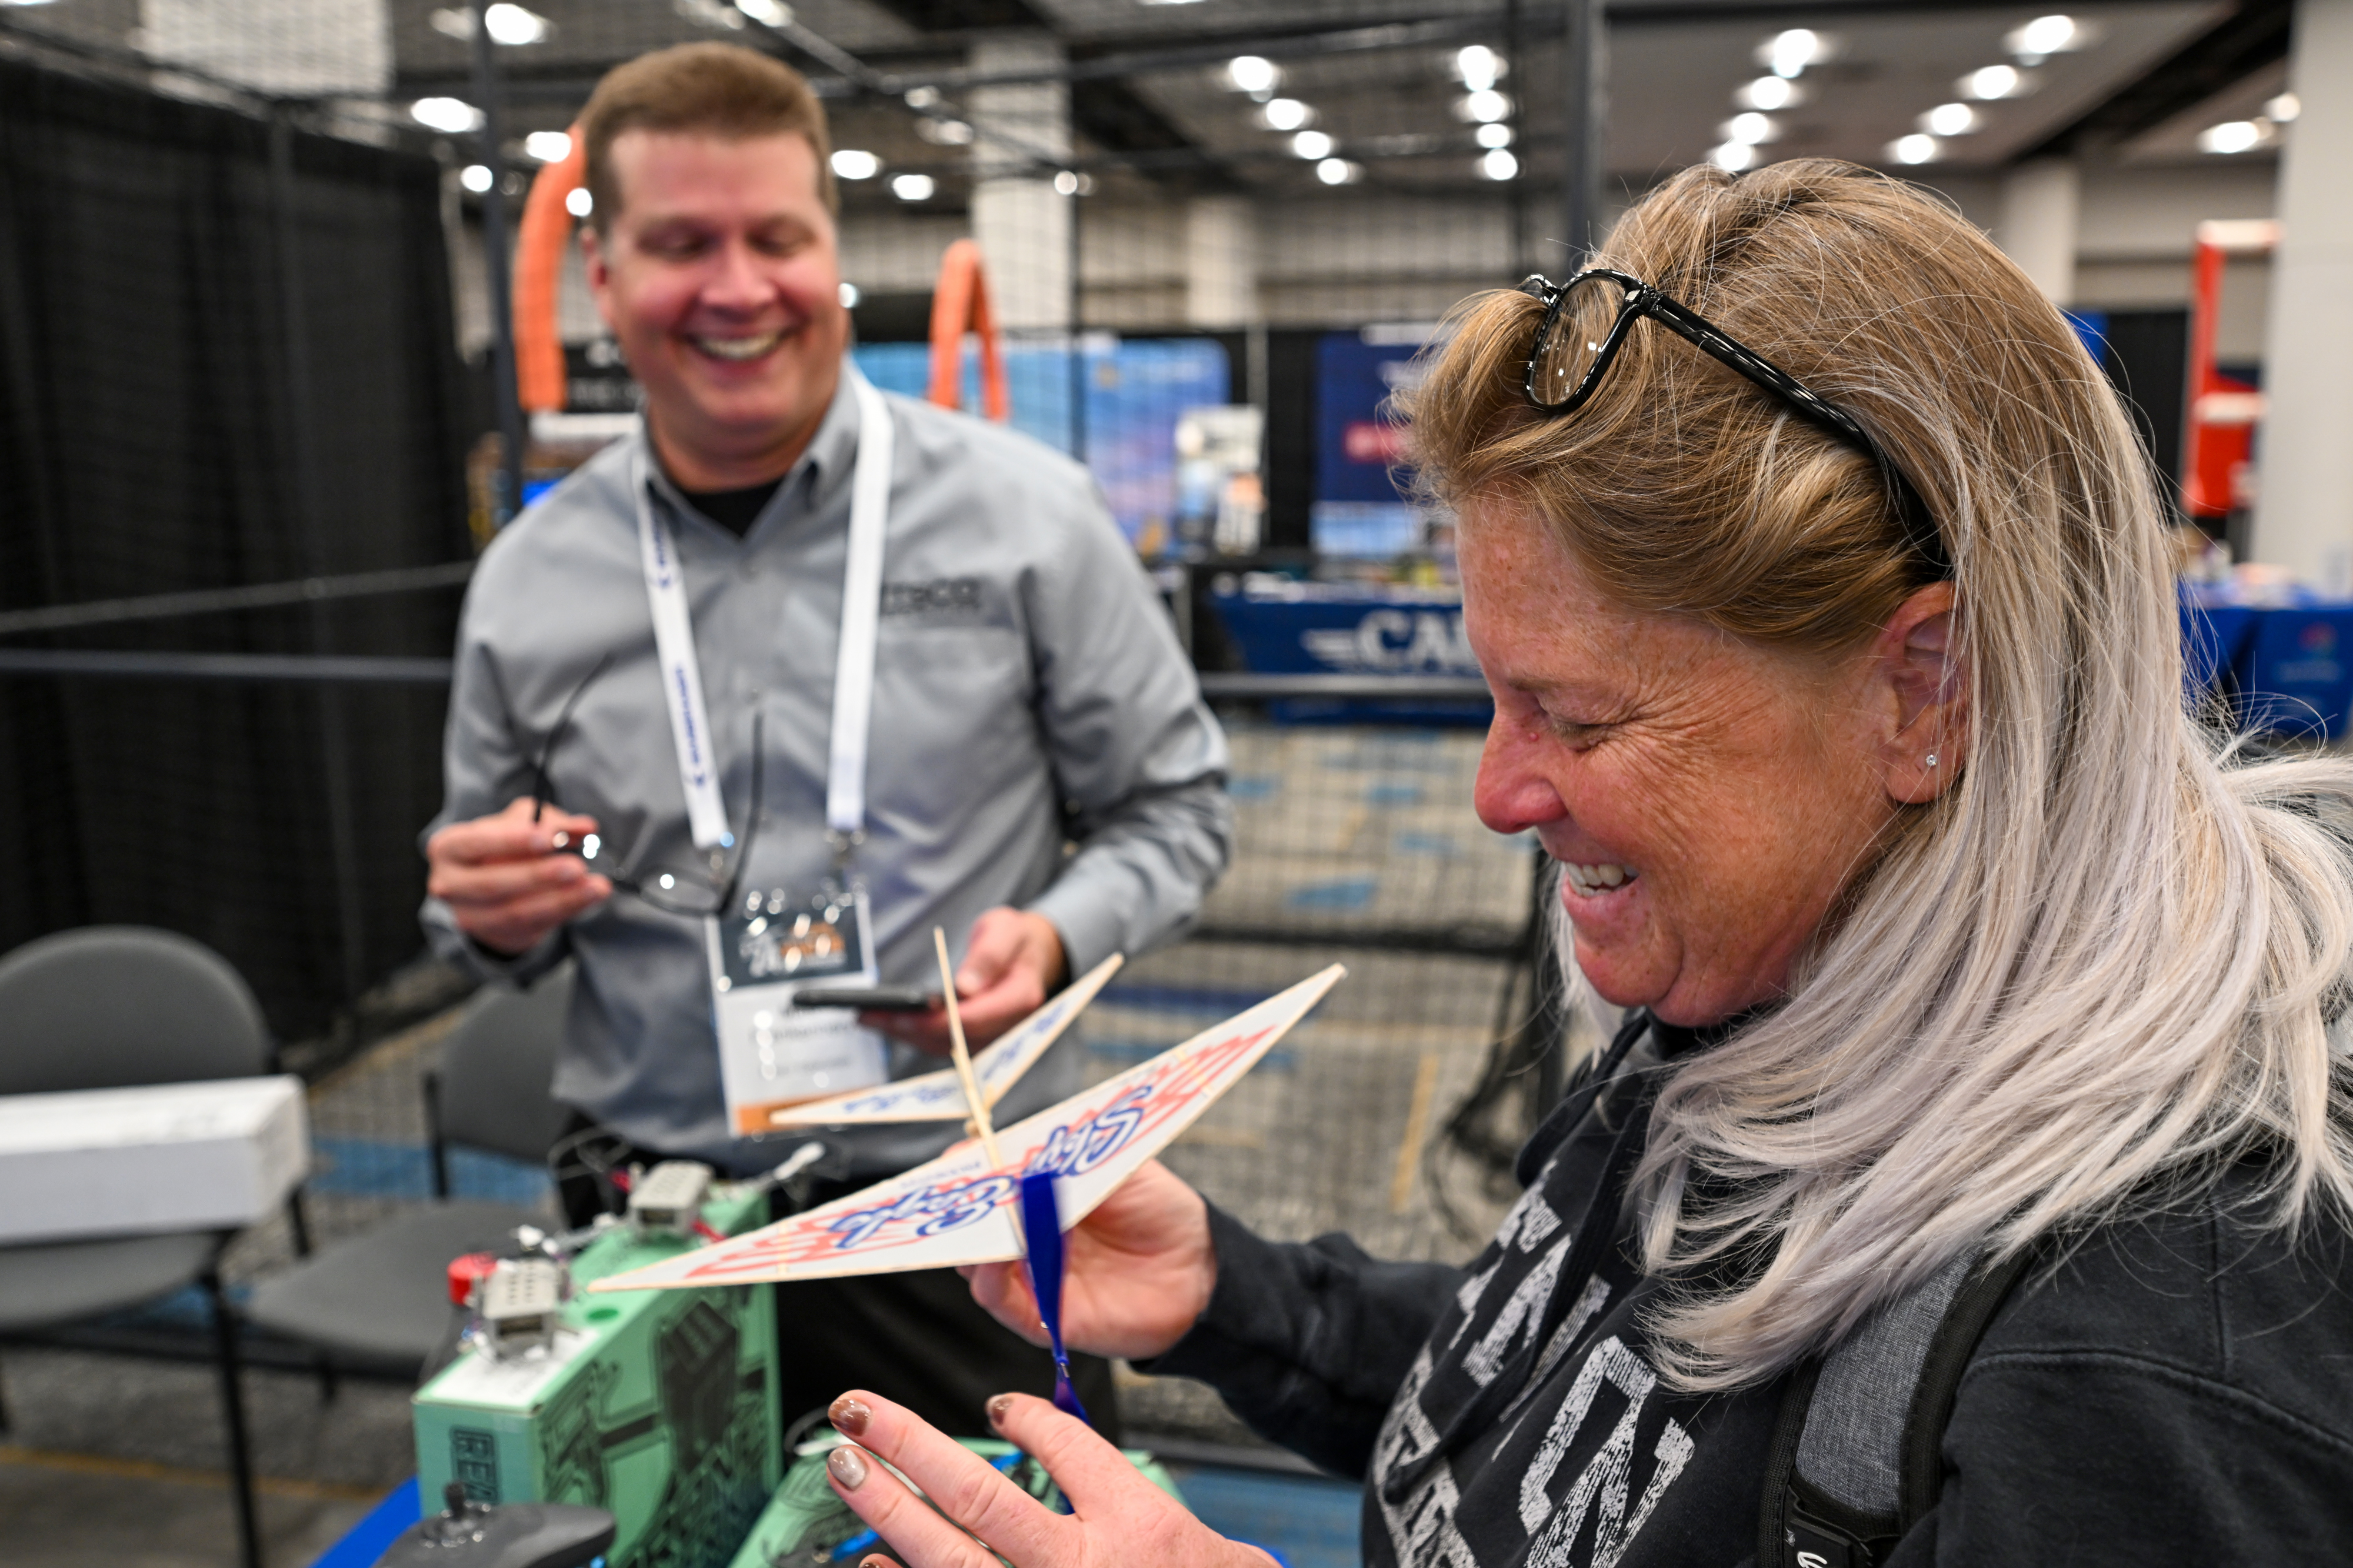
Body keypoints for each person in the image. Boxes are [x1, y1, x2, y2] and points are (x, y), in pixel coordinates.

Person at [805, 159, 2353, 1566]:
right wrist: (1237, 1293)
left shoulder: (2165, 1343)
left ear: (1925, 688)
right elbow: (1592, 1411)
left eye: (1581, 713)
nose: (1497, 791)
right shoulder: (1799, 959)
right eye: (1494, 694)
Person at [418, 42, 1230, 1439]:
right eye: (681, 244)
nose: (737, 288)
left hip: (951, 1207)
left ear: (829, 254)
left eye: (775, 239)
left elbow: (1177, 809)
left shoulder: (1027, 518)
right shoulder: (528, 580)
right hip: (645, 1212)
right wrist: (487, 914)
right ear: (602, 279)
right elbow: (484, 914)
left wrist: (1041, 940)